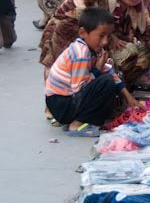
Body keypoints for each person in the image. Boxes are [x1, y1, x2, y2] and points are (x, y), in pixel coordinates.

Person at [45, 7, 143, 137]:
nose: (105, 41)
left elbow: (108, 70)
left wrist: (128, 96)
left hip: (65, 102)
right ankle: (77, 125)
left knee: (108, 78)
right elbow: (79, 88)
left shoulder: (90, 48)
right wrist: (97, 69)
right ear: (83, 33)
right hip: (60, 104)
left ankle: (79, 119)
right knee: (105, 82)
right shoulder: (81, 53)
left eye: (108, 36)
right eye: (101, 36)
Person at [40, 0, 112, 77]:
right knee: (55, 69)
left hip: (78, 37)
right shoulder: (78, 3)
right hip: (59, 37)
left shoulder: (103, 1)